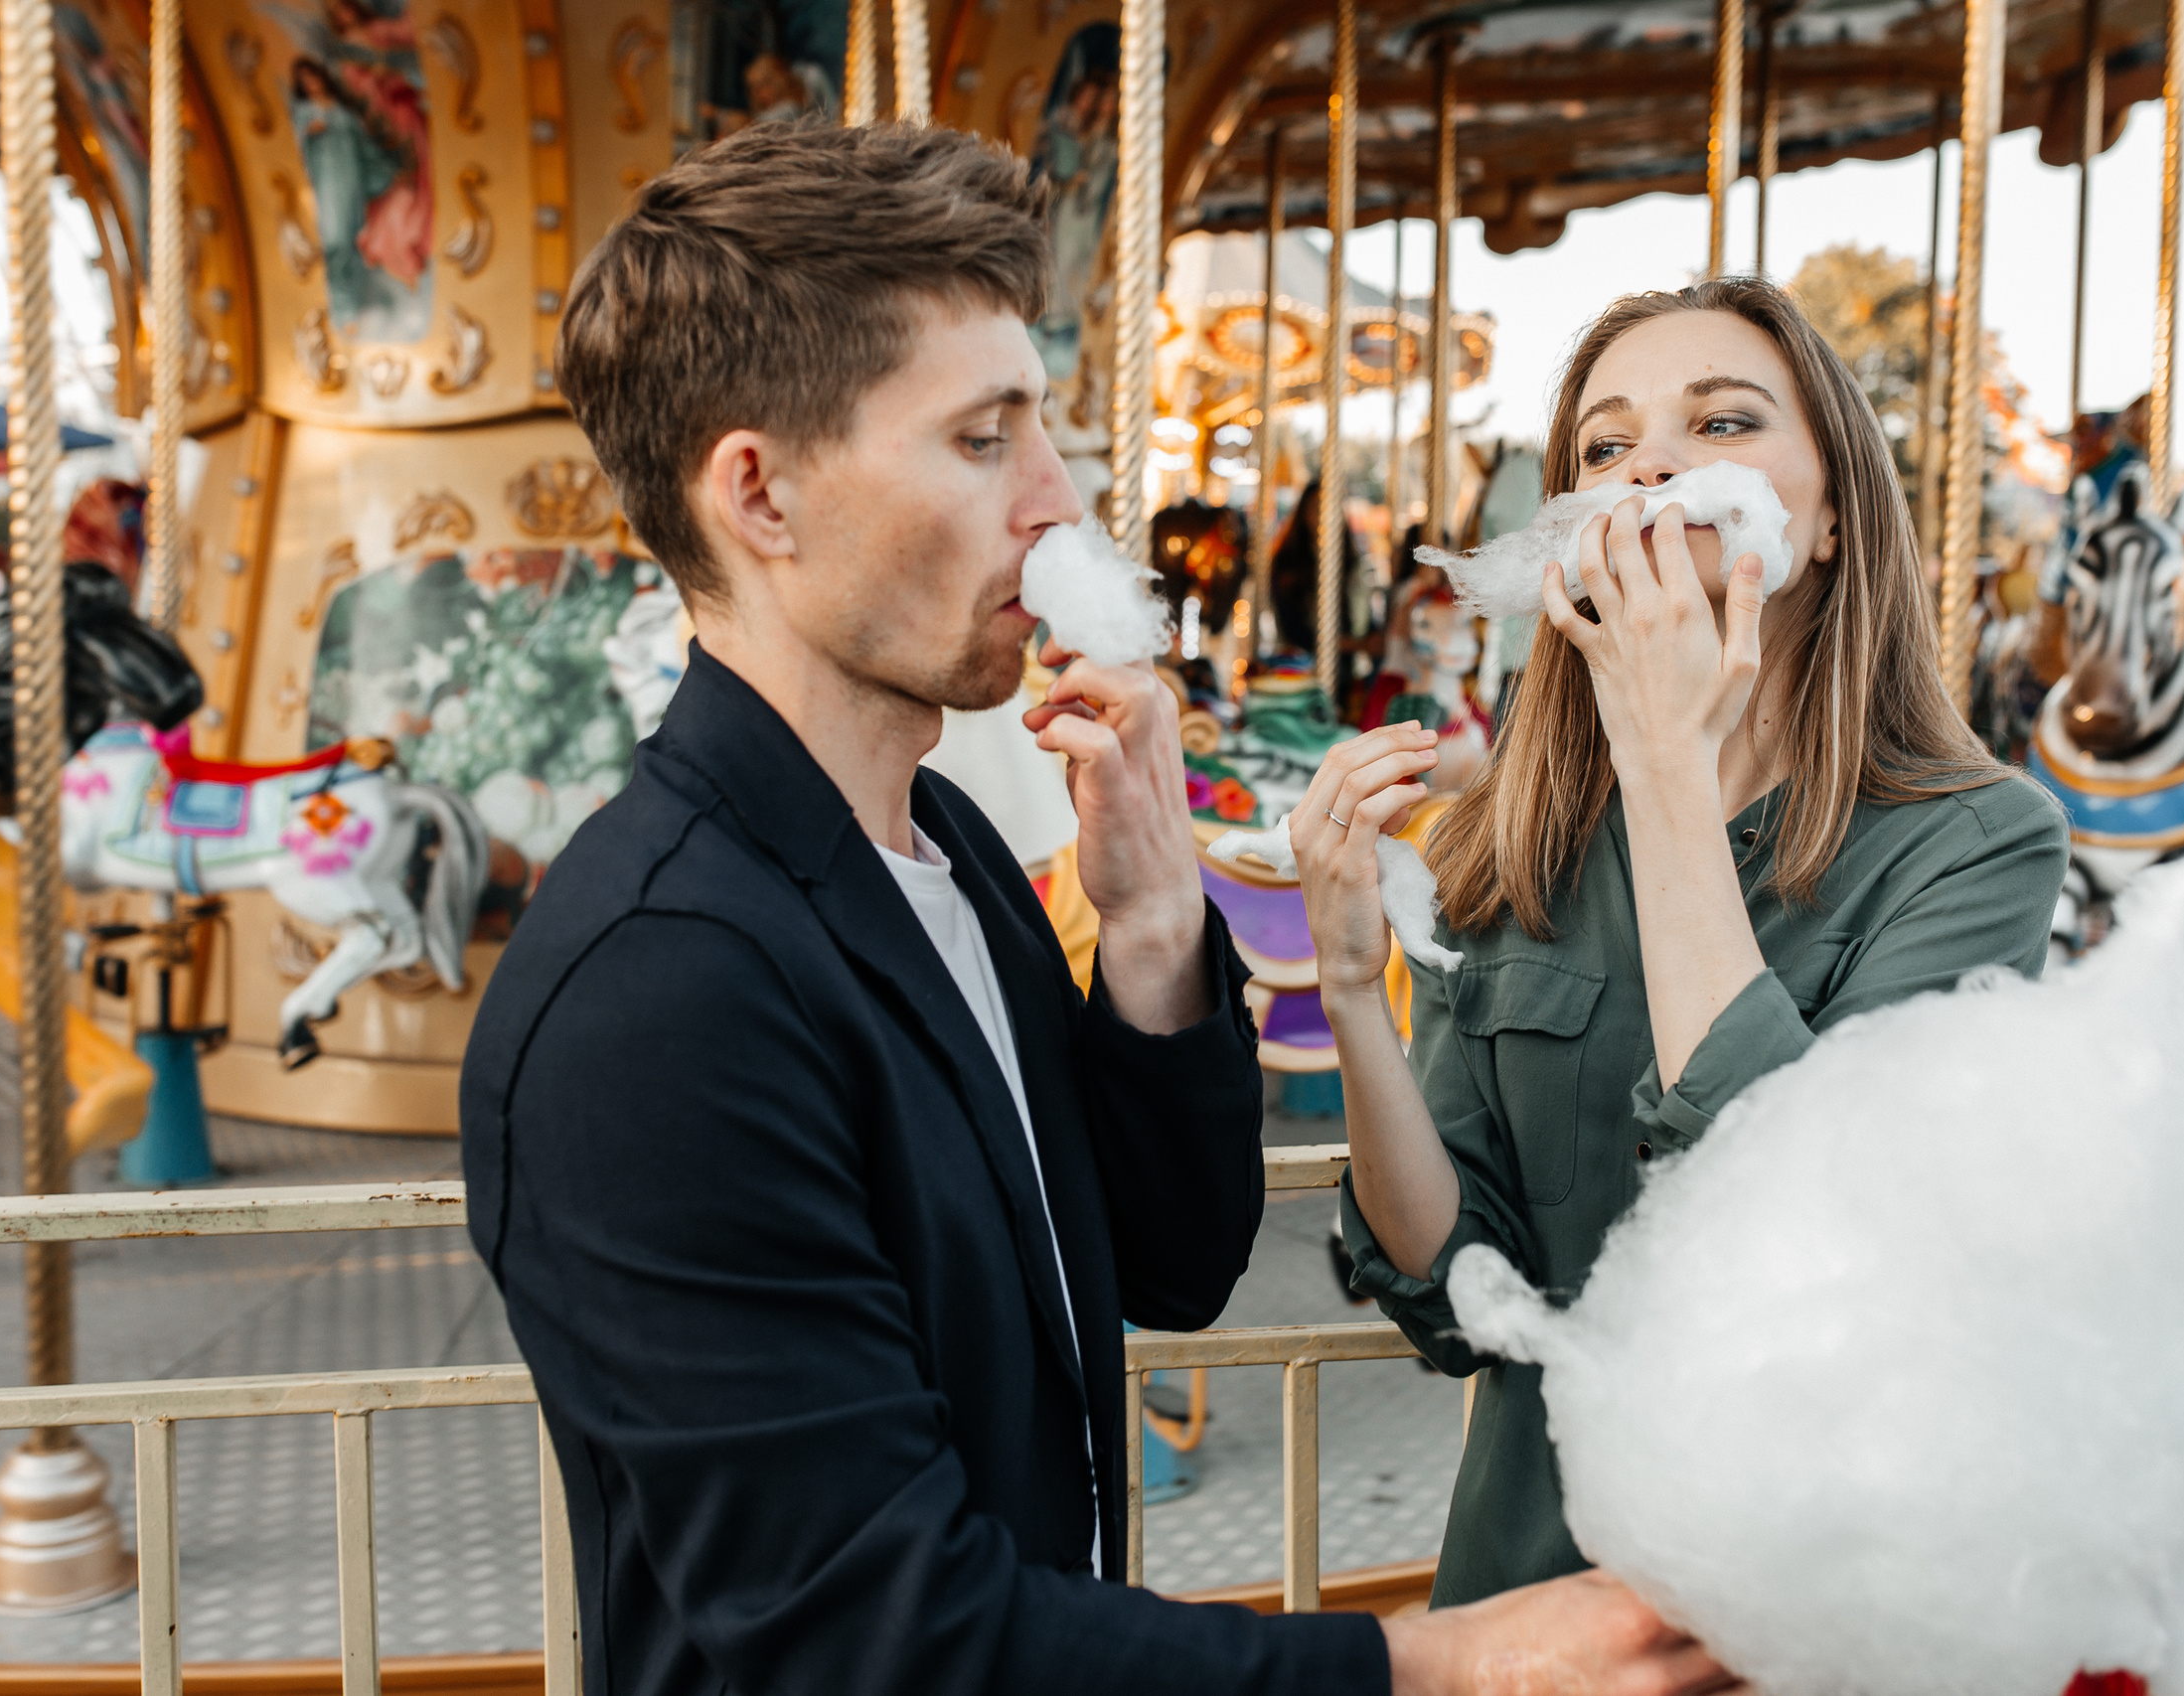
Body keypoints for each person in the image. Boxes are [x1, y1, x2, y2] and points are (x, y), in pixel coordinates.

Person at [459, 121, 1736, 1696]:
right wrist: (1434, 1661)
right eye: (987, 437)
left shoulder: (945, 853)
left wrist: (1148, 940)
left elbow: (1172, 1262)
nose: (1060, 503)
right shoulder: (657, 990)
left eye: (1043, 425)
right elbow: (870, 1632)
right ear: (760, 494)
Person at [1294, 275, 2071, 1607]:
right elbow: (1449, 1289)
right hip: (1530, 1599)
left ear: (1828, 521)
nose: (1648, 461)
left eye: (1721, 423)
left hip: (1799, 1610)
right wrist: (1357, 993)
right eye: (1605, 445)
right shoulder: (1510, 840)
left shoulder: (1979, 845)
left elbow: (1806, 1245)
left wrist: (1667, 758)